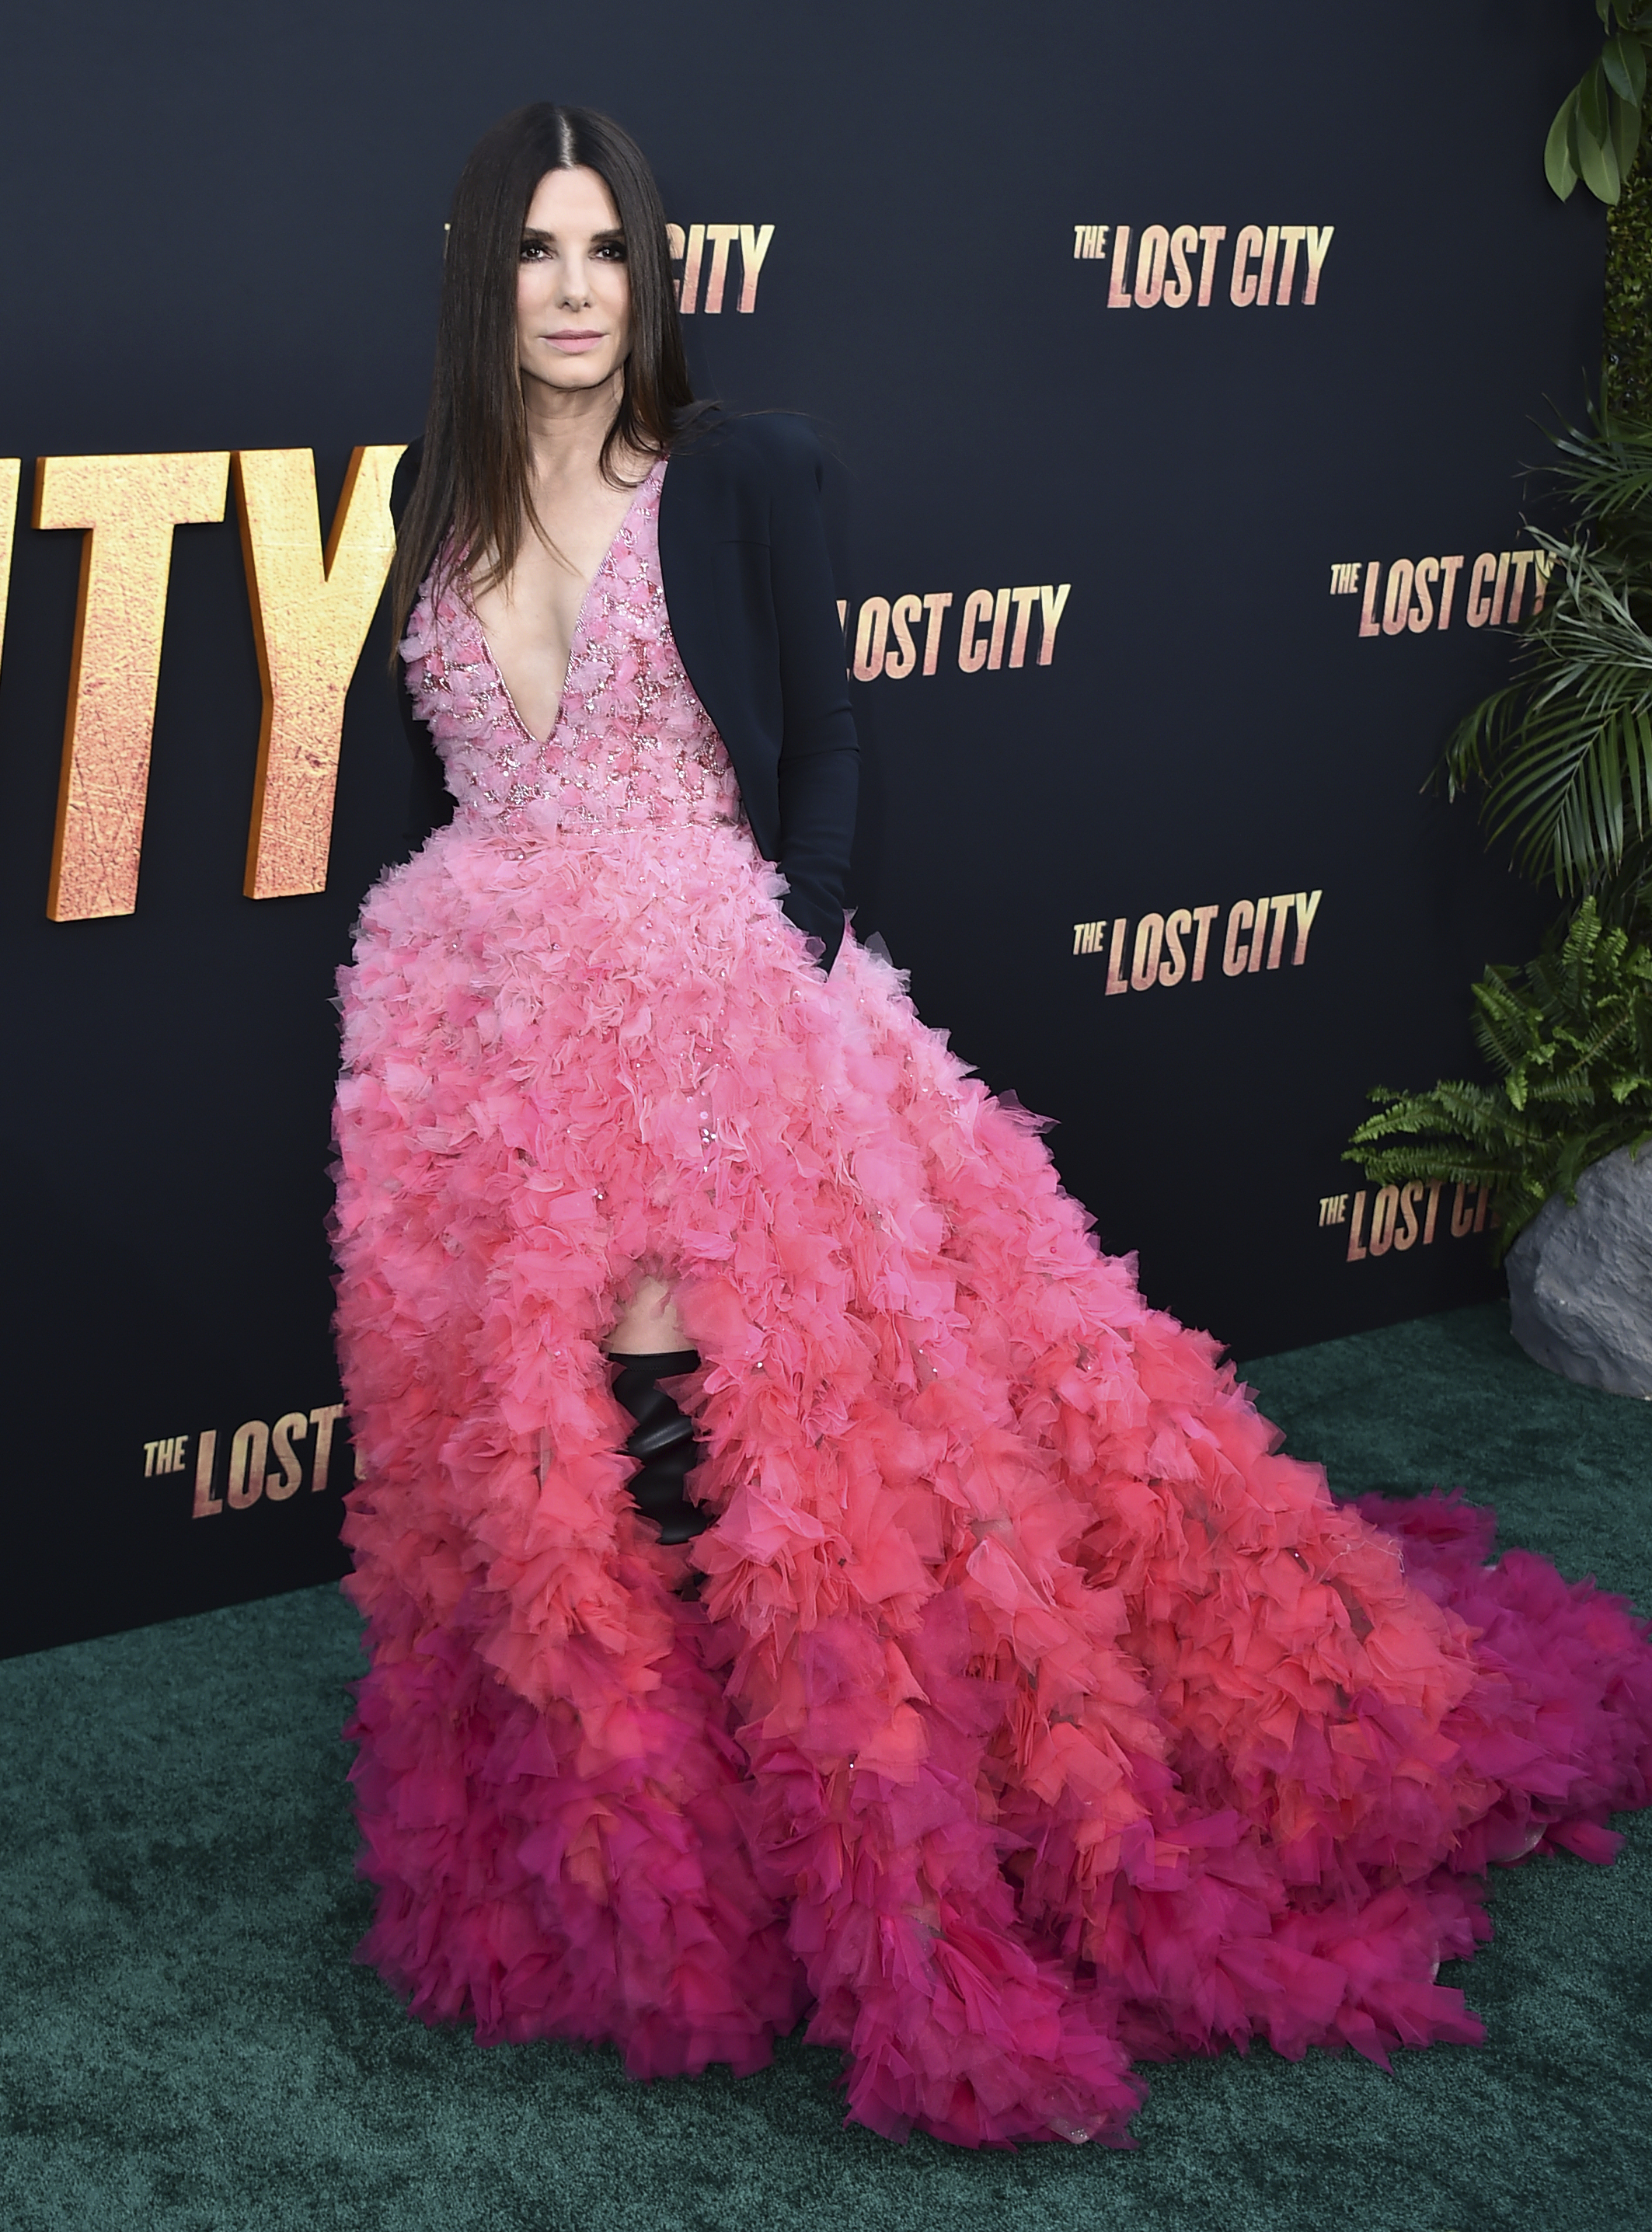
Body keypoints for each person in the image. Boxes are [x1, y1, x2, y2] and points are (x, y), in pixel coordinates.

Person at [333, 102, 1652, 2149]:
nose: (576, 290)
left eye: (607, 250)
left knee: (784, 1460)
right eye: (534, 252)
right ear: (479, 277)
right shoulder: (431, 490)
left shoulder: (745, 470)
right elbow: (429, 773)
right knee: (544, 1481)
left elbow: (835, 735)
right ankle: (634, 1863)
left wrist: (790, 954)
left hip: (718, 990)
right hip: (471, 1019)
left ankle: (845, 1865)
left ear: (651, 270)